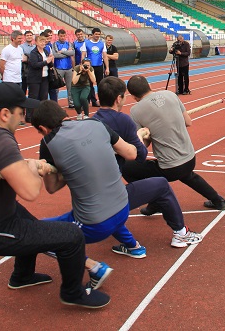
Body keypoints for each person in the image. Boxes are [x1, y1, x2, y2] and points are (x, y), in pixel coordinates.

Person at [0, 83, 109, 308]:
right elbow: (30, 191)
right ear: (5, 114)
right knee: (72, 235)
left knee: (32, 225)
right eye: (21, 112)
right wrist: (37, 168)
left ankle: (22, 276)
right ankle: (73, 293)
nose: (23, 117)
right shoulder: (0, 139)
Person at [32, 100, 149, 267]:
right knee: (100, 197)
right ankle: (133, 246)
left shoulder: (48, 142)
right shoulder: (96, 123)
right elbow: (131, 152)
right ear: (64, 115)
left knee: (36, 231)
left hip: (95, 224)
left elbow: (51, 188)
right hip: (123, 208)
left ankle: (94, 268)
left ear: (43, 129)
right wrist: (138, 135)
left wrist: (66, 169)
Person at [91, 77, 204, 247]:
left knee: (129, 172)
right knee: (161, 186)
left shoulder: (91, 122)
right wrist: (141, 135)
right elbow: (139, 155)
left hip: (91, 195)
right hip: (111, 196)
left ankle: (130, 245)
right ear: (119, 99)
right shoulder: (124, 120)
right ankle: (181, 234)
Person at [123, 75, 225, 210]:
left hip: (169, 167)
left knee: (126, 167)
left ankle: (155, 200)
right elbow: (188, 122)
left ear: (133, 96)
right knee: (187, 175)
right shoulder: (170, 95)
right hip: (190, 158)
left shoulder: (135, 111)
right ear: (149, 86)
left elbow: (142, 146)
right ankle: (218, 200)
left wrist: (149, 133)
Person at [26, 35, 54, 122]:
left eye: (44, 41)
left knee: (44, 97)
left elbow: (50, 65)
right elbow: (34, 65)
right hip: (35, 78)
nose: (43, 43)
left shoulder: (45, 51)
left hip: (45, 77)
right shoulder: (33, 53)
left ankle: (42, 115)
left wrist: (50, 62)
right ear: (36, 43)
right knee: (33, 97)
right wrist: (46, 61)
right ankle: (29, 116)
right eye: (41, 41)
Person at [52, 29, 76, 109]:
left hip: (69, 68)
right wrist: (67, 53)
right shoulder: (55, 44)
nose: (62, 37)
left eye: (64, 36)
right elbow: (55, 55)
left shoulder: (69, 43)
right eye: (61, 36)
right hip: (58, 68)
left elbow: (72, 53)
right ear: (58, 36)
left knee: (70, 87)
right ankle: (55, 103)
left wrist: (62, 52)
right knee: (56, 87)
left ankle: (71, 103)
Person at [85, 28, 106, 107]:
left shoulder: (102, 43)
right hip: (90, 67)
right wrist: (83, 65)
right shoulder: (86, 43)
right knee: (89, 85)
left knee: (100, 84)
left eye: (99, 34)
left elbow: (105, 56)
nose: (97, 35)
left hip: (99, 66)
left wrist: (107, 67)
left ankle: (102, 101)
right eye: (96, 34)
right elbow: (83, 55)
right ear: (92, 34)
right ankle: (92, 101)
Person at [20, 30, 36, 94]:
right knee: (23, 90)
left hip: (34, 71)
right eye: (27, 35)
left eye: (30, 35)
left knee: (33, 91)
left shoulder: (35, 46)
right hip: (25, 71)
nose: (29, 37)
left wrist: (28, 57)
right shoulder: (21, 47)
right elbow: (23, 58)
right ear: (24, 37)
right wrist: (33, 58)